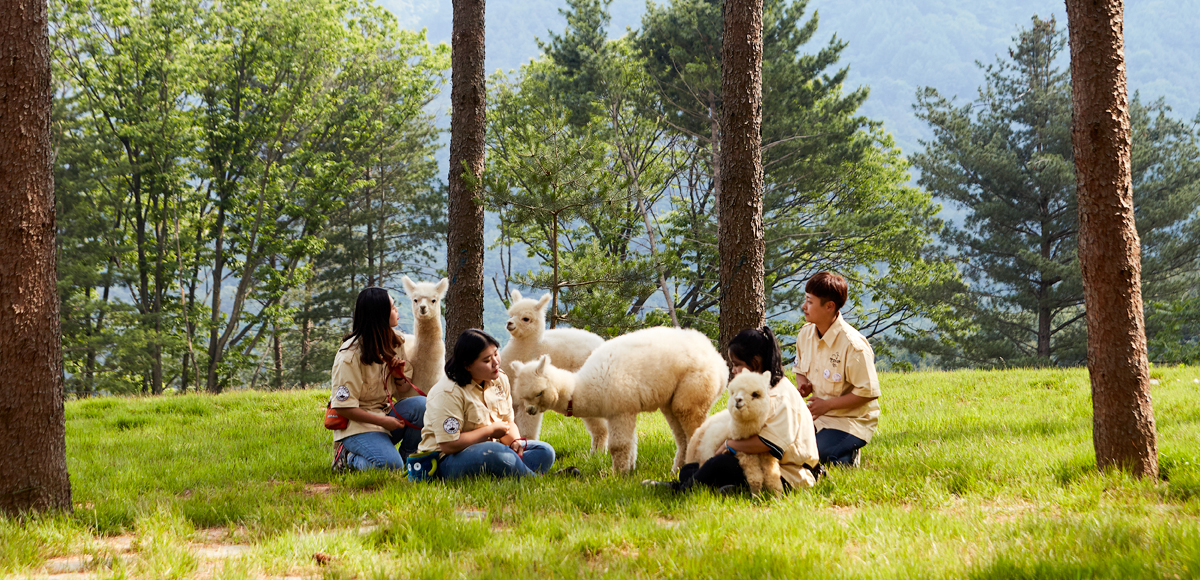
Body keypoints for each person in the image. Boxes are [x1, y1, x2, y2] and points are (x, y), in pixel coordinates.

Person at [644, 326, 822, 493]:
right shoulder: (761, 389)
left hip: (788, 474)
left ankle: (680, 490)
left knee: (718, 465)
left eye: (737, 364)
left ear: (756, 362)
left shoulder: (780, 396)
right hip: (759, 462)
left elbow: (769, 445)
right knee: (690, 469)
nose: (734, 370)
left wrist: (730, 445)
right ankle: (728, 487)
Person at [406, 329, 566, 481]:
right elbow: (448, 445)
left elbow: (508, 422)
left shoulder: (499, 379)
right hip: (445, 462)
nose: (496, 362)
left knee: (545, 451)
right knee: (496, 453)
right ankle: (534, 479)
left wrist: (515, 442)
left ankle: (505, 470)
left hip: (490, 450)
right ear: (467, 365)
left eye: (496, 354)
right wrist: (489, 431)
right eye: (487, 360)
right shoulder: (448, 392)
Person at [329, 287, 427, 472]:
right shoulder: (349, 356)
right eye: (392, 307)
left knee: (423, 405)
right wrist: (384, 422)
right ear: (379, 315)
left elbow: (404, 390)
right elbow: (344, 407)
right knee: (389, 466)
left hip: (384, 415)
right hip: (357, 426)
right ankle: (347, 458)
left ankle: (409, 462)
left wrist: (398, 376)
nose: (397, 310)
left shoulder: (395, 342)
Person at [794, 271, 881, 466]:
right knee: (788, 449)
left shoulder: (853, 345)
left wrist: (828, 405)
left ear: (829, 306)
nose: (803, 307)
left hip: (850, 421)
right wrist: (804, 385)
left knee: (816, 456)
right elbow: (799, 368)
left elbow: (868, 393)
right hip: (816, 418)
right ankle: (839, 457)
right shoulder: (805, 335)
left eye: (809, 301)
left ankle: (847, 453)